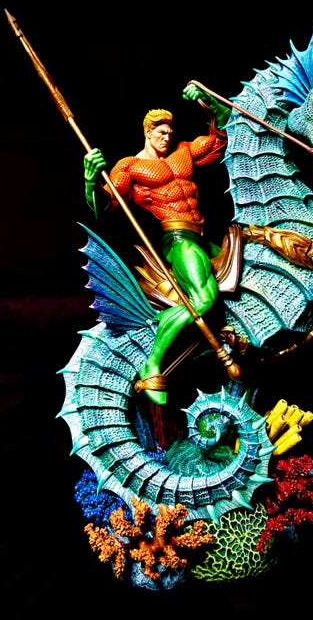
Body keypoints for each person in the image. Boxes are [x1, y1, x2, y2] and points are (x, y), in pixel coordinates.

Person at [83, 83, 231, 406]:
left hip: (202, 237)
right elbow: (105, 206)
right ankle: (153, 363)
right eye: (161, 132)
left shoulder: (183, 152)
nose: (167, 136)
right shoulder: (131, 167)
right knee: (203, 299)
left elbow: (220, 139)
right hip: (178, 240)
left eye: (169, 132)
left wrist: (210, 104)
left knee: (245, 269)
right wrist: (91, 181)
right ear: (148, 133)